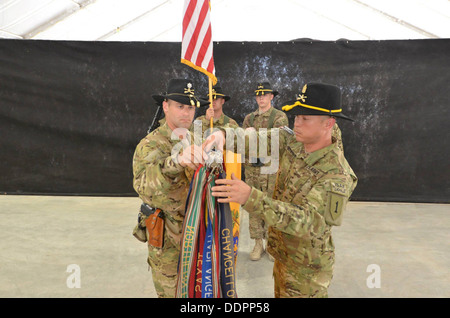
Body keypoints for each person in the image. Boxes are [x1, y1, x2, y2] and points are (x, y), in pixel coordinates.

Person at [211, 82, 358, 298]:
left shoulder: (336, 174)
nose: (297, 123)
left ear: (328, 124)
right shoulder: (295, 141)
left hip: (307, 270)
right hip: (283, 255)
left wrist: (251, 197)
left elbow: (309, 222)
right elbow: (262, 138)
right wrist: (223, 135)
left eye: (305, 118)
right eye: (296, 117)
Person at [132, 78, 210, 298]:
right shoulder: (152, 144)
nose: (187, 113)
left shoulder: (194, 139)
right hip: (168, 241)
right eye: (180, 106)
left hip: (196, 233)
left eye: (191, 107)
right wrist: (177, 162)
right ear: (166, 106)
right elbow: (144, 187)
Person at [242, 82, 288, 261]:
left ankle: (271, 243)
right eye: (258, 95)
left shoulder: (279, 117)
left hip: (270, 172)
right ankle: (258, 243)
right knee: (253, 205)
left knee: (270, 205)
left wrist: (255, 135)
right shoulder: (249, 118)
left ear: (271, 97)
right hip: (253, 170)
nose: (261, 98)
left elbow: (279, 140)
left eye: (265, 94)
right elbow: (243, 142)